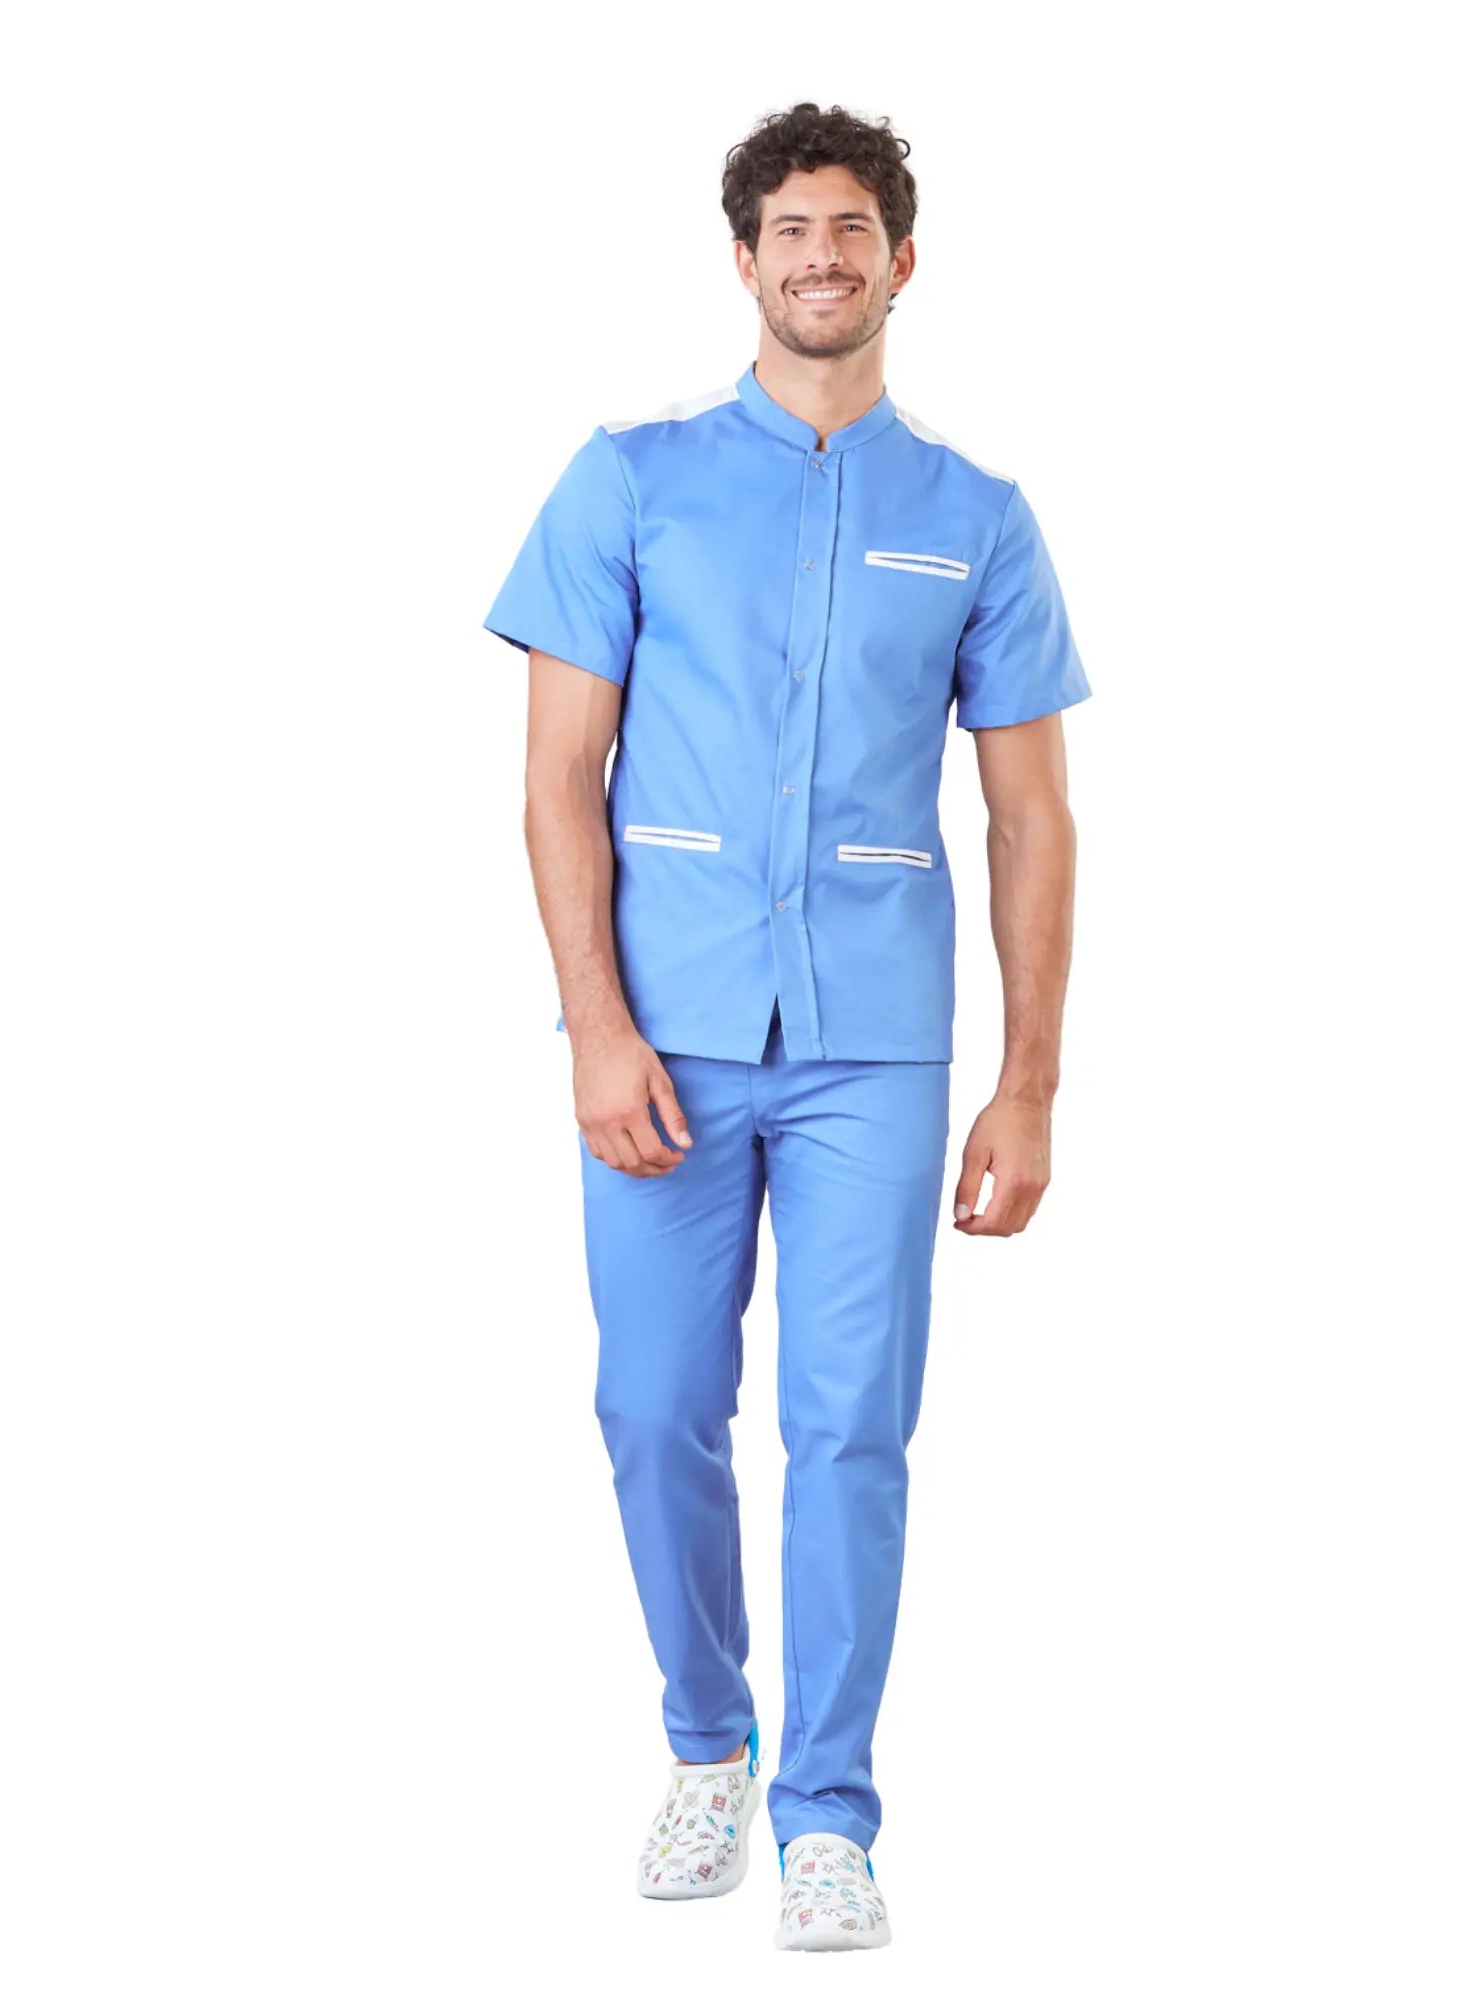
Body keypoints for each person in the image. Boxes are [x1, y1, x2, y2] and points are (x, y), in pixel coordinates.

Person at [481, 100, 1090, 1952]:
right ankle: (708, 1743)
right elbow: (557, 779)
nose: (824, 257)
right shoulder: (630, 480)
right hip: (663, 1035)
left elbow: (1032, 818)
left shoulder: (977, 519)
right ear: (743, 260)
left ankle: (829, 1812)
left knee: (851, 1432)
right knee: (654, 1404)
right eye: (792, 231)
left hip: (873, 1047)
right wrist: (594, 1028)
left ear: (905, 260)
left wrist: (1030, 1086)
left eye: (854, 230)